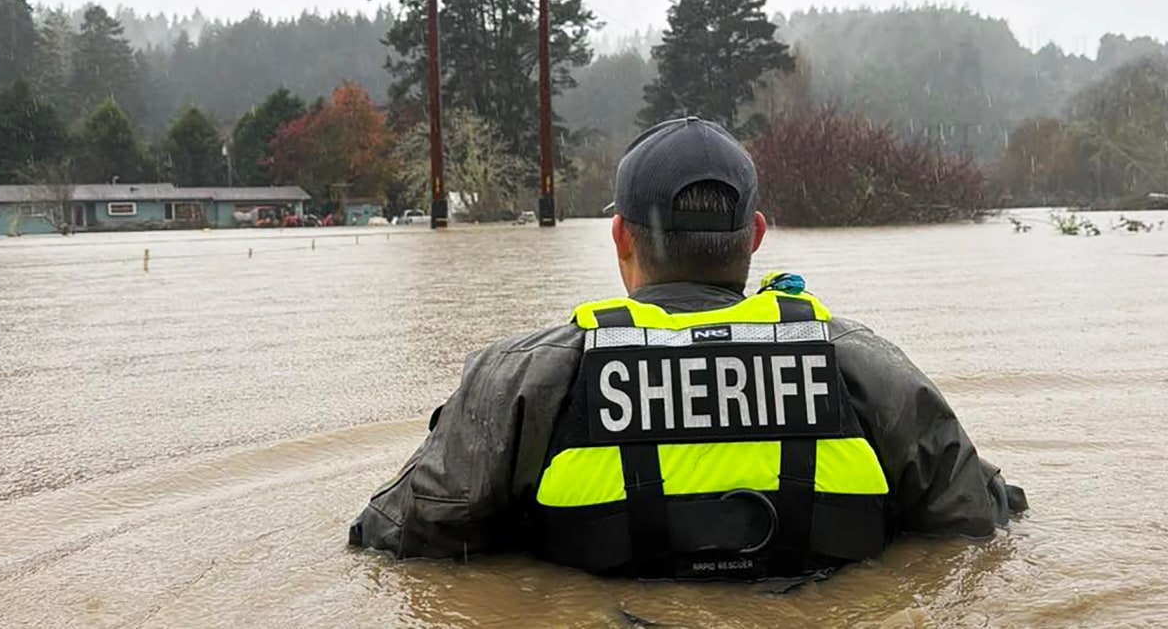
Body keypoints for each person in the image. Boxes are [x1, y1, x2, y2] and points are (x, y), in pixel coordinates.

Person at [349, 117, 1026, 581]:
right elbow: (979, 521)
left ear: (619, 237)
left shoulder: (522, 380)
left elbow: (392, 539)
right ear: (755, 235)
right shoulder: (868, 367)